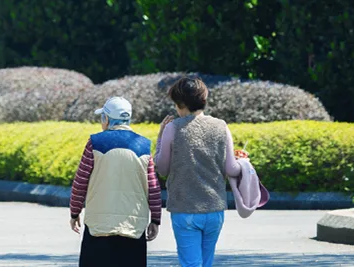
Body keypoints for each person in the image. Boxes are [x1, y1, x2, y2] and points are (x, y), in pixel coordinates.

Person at [155, 76, 267, 267]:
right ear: (203, 100)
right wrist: (243, 161)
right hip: (214, 208)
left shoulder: (172, 128)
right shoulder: (221, 126)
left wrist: (160, 137)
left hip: (185, 209)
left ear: (180, 104)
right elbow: (231, 168)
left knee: (191, 264)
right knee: (206, 263)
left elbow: (162, 168)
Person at [69, 96, 162, 267]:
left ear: (106, 119)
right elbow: (153, 188)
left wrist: (75, 213)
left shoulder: (94, 143)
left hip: (99, 226)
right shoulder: (144, 146)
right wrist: (155, 219)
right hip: (133, 227)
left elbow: (80, 182)